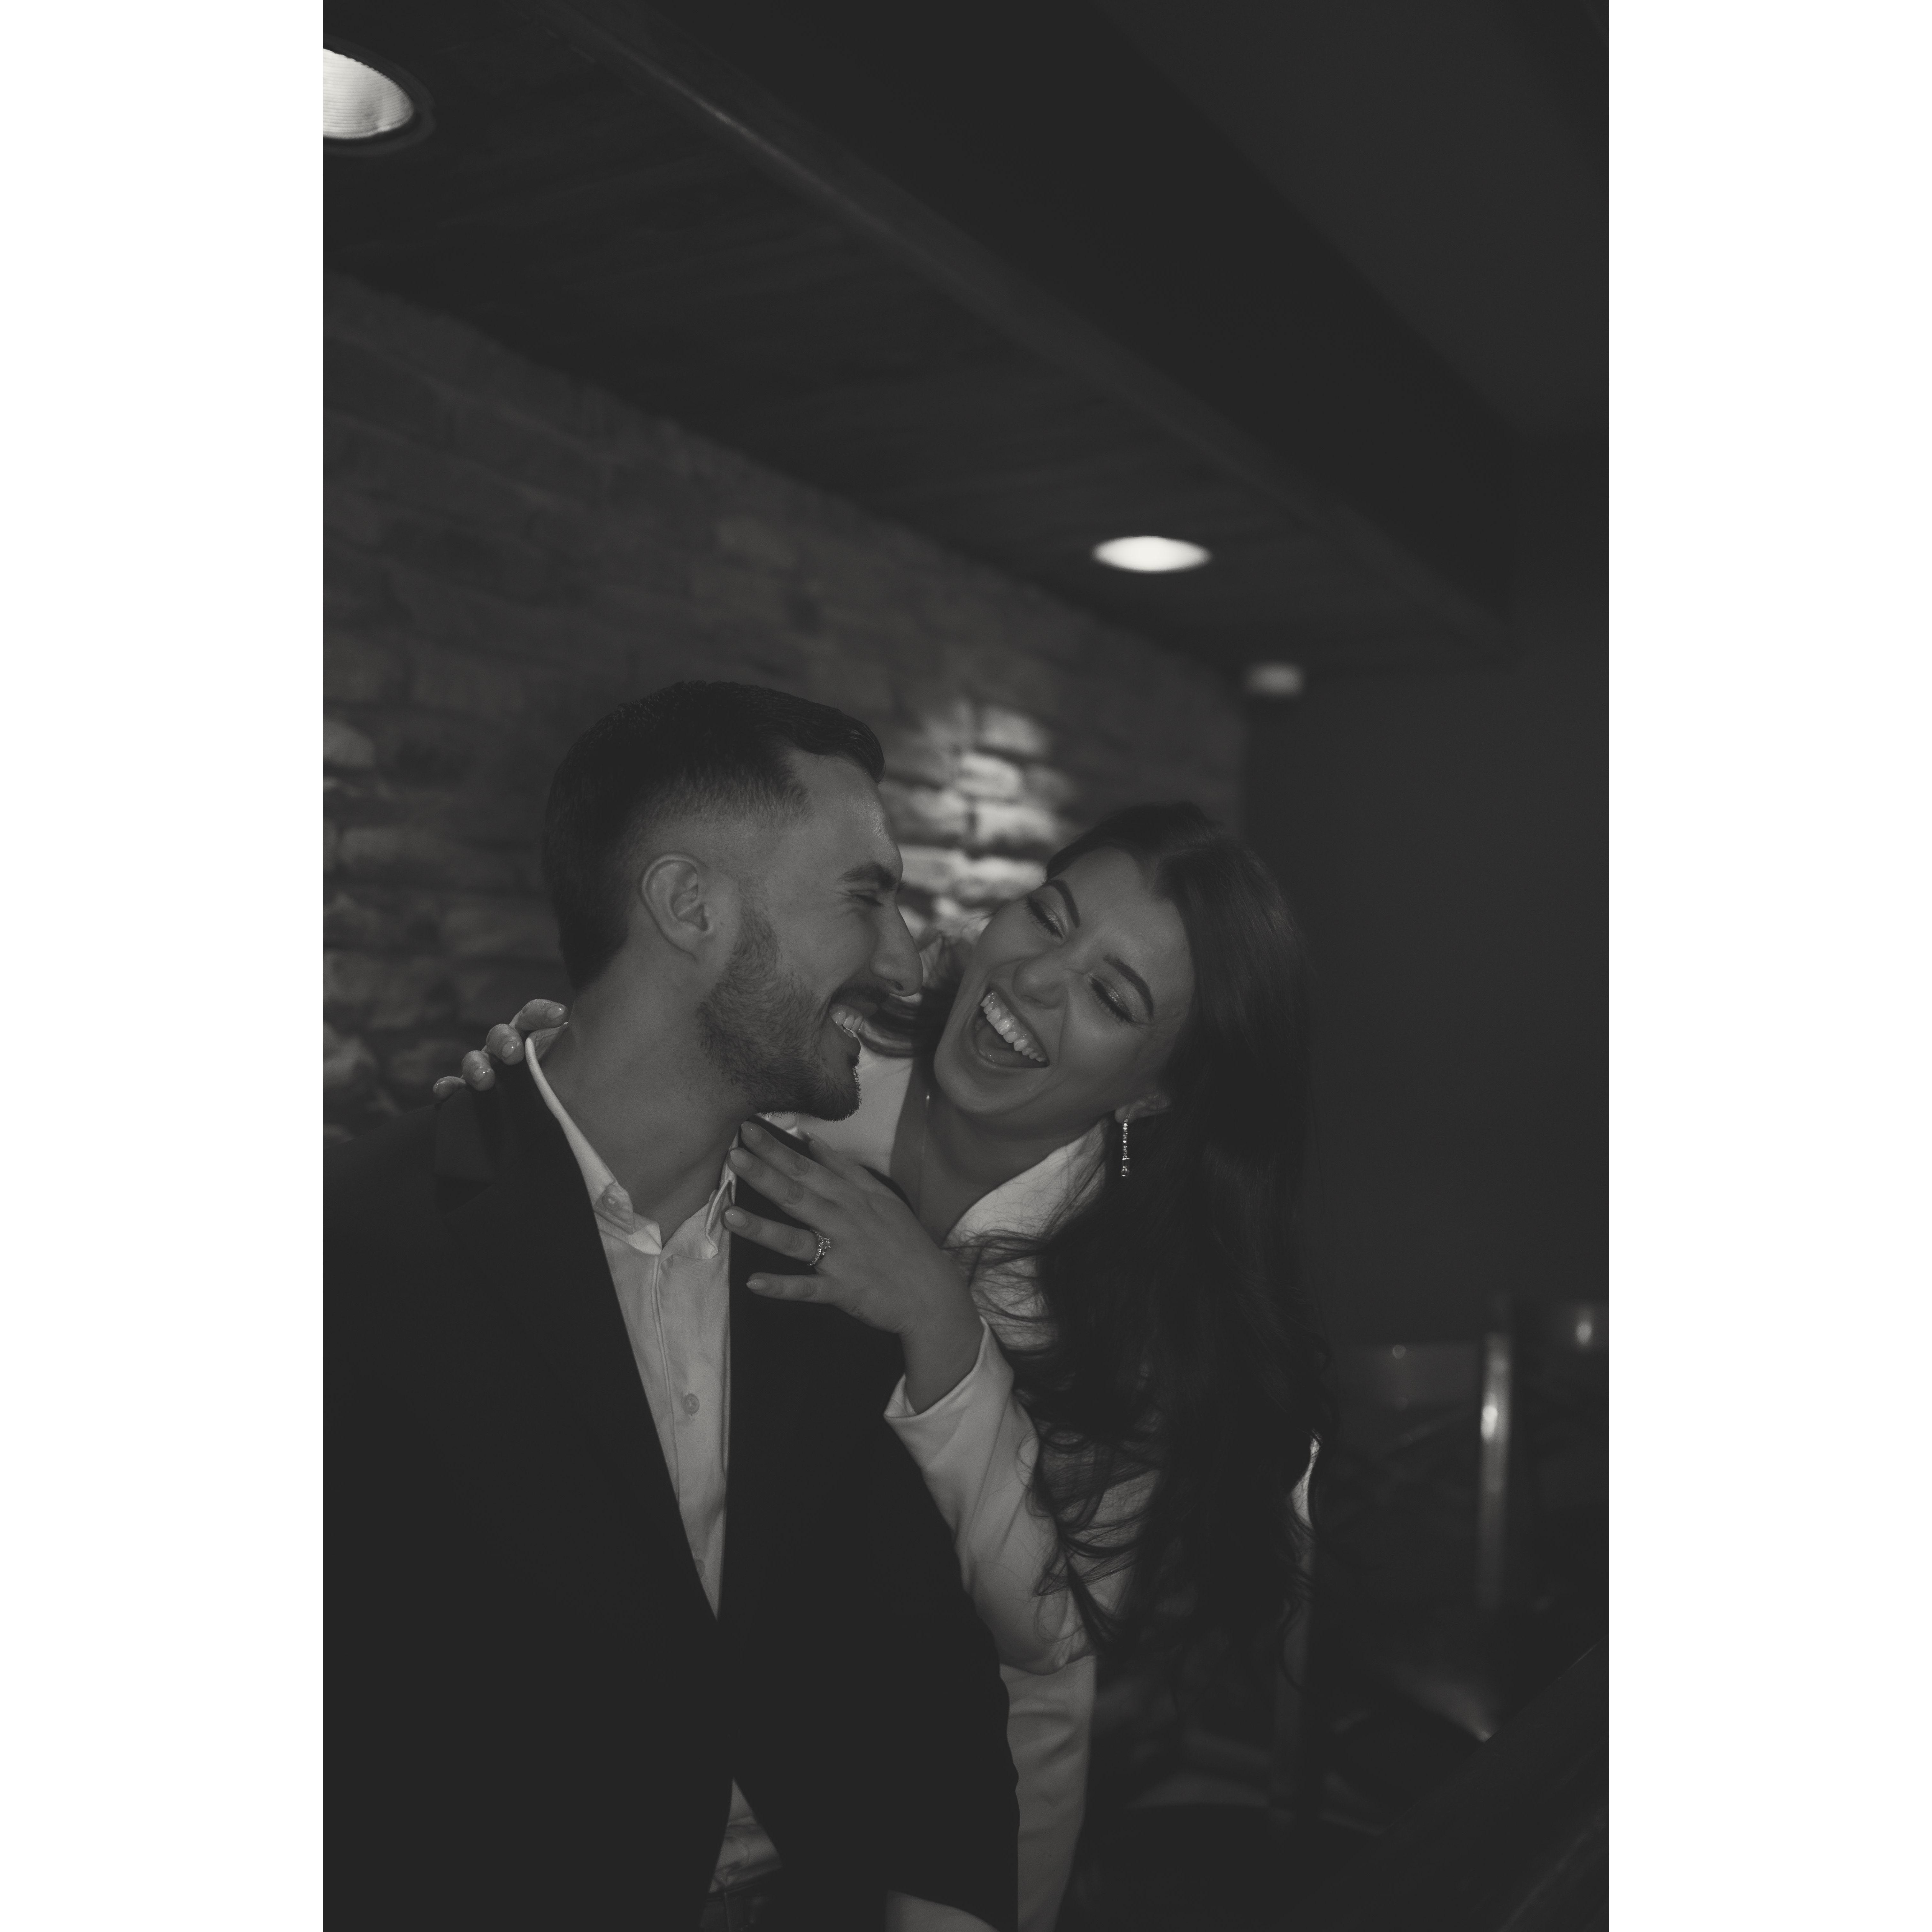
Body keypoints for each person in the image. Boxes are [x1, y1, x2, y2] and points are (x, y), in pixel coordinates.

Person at [451, 800, 1330, 1932]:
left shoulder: (1155, 1298)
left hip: (952, 1800)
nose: (1037, 979)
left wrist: (942, 1326)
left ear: (1154, 1089)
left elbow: (1052, 1624)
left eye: (1113, 996)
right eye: (1050, 916)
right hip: (693, 1721)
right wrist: (560, 1093)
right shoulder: (820, 1055)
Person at [330, 683, 1019, 1932]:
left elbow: (920, 1671)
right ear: (691, 908)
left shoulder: (846, 1246)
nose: (909, 958)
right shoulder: (357, 1251)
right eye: (866, 897)